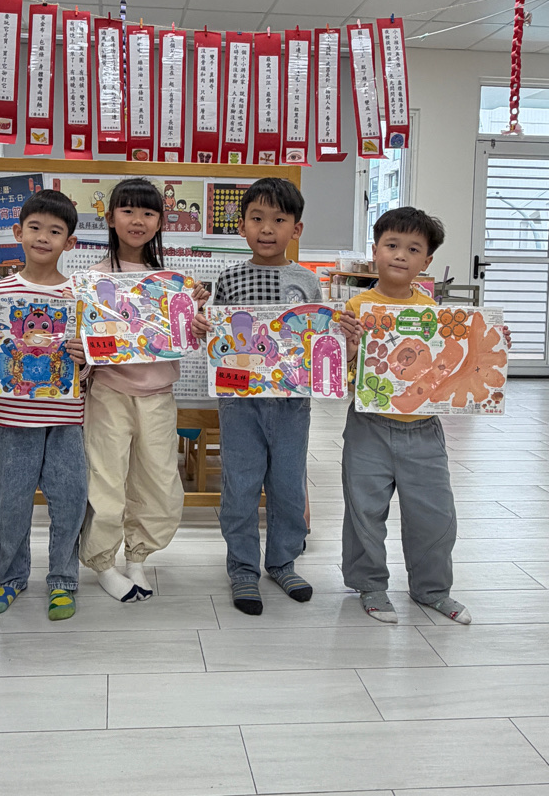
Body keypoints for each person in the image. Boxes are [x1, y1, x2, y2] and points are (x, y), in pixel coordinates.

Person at [341, 207, 510, 625]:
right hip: (368, 426)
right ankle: (370, 586)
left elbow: (456, 363)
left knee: (435, 514)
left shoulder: (436, 313)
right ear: (375, 251)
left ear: (427, 261)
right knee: (364, 512)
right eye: (392, 245)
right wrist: (348, 346)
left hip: (424, 430)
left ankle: (432, 589)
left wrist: (493, 340)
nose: (401, 255)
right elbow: (340, 373)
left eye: (413, 249)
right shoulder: (355, 308)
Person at [191, 178, 346, 615]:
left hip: (292, 404)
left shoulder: (307, 281)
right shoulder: (228, 278)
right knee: (240, 486)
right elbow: (218, 340)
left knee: (289, 486)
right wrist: (204, 329)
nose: (266, 229)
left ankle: (282, 562)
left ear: (296, 229)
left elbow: (317, 337)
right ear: (241, 226)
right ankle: (243, 568)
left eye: (278, 220)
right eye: (256, 218)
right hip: (239, 403)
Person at [80, 178, 205, 602]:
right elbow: (83, 344)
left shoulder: (172, 283)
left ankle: (138, 557)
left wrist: (196, 318)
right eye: (128, 210)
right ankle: (103, 562)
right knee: (105, 479)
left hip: (158, 394)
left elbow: (186, 341)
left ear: (160, 222)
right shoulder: (92, 279)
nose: (138, 220)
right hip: (108, 392)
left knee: (158, 480)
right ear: (110, 218)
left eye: (148, 212)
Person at [0, 190, 89, 621]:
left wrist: (85, 359)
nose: (43, 237)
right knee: (13, 504)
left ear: (69, 242)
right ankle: (10, 578)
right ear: (18, 232)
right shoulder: (0, 291)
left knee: (70, 502)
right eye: (35, 228)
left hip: (66, 420)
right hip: (11, 419)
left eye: (55, 231)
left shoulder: (79, 295)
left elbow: (90, 363)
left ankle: (63, 580)